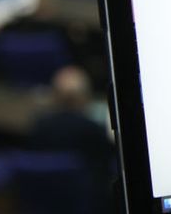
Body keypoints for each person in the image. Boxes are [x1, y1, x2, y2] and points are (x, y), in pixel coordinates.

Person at [30, 65, 114, 212]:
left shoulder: (39, 127)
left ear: (54, 97)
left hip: (46, 202)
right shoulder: (92, 130)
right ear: (84, 98)